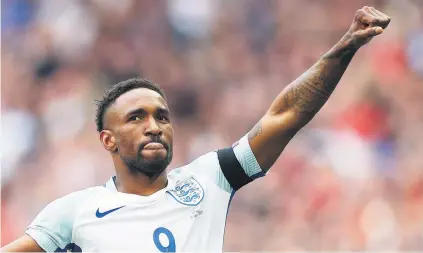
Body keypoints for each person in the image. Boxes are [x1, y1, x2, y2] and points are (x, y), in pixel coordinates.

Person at [1, 6, 391, 252]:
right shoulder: (74, 211)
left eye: (162, 116)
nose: (154, 126)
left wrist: (343, 49)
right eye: (136, 117)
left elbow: (284, 116)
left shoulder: (208, 180)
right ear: (108, 139)